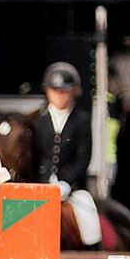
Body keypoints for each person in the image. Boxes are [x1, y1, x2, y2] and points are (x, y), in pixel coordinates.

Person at [39, 61, 106, 245]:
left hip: (72, 189)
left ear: (73, 92)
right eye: (56, 91)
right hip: (41, 186)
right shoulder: (39, 120)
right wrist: (45, 180)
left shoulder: (82, 120)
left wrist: (66, 182)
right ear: (48, 92)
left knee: (90, 224)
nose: (60, 96)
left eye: (64, 92)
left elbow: (84, 157)